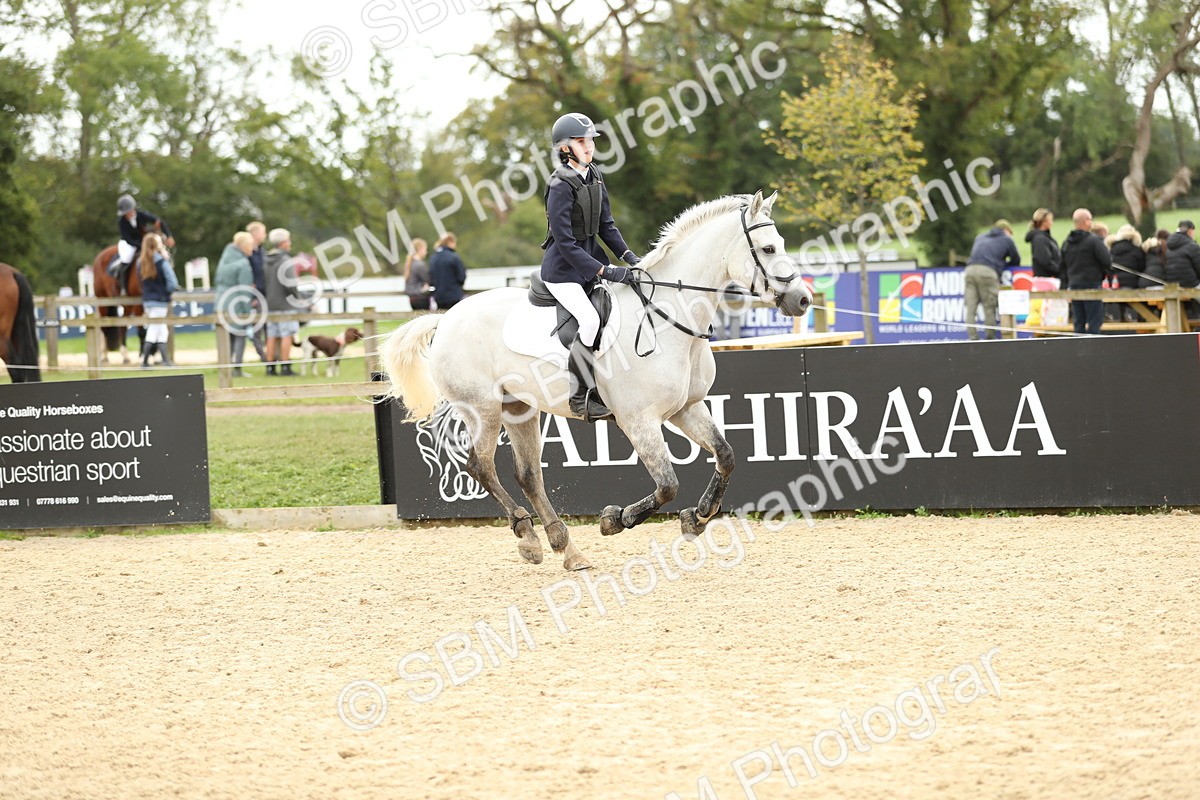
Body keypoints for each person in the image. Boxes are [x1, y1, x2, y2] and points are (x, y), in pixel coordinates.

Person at [540, 112, 642, 421]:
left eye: (590, 142)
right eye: (582, 142)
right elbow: (566, 242)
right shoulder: (559, 185)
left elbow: (607, 226)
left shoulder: (594, 175)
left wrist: (630, 257)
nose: (589, 147)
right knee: (589, 321)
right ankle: (580, 395)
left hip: (589, 259)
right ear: (566, 148)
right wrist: (605, 271)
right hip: (563, 270)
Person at [963, 219, 1020, 341]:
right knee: (989, 307)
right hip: (988, 273)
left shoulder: (980, 236)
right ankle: (989, 340)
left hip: (970, 270)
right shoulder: (1006, 239)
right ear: (1006, 230)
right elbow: (1016, 260)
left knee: (971, 307)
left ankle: (972, 339)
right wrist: (1003, 264)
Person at [1061, 208, 1113, 334]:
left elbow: (1062, 266)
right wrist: (1104, 275)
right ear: (1085, 221)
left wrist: (1065, 285)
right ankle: (1094, 350)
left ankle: (1079, 350)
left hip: (1073, 286)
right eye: (1090, 219)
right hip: (1092, 286)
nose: (1091, 222)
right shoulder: (1094, 240)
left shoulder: (1066, 243)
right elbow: (1107, 261)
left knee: (1078, 322)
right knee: (1094, 321)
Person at [263, 228, 305, 376]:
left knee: (272, 335)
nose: (290, 243)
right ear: (283, 243)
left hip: (270, 303)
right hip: (285, 303)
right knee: (287, 334)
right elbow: (291, 284)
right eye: (288, 240)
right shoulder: (286, 261)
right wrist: (298, 297)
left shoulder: (266, 259)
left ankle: (270, 367)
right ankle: (286, 366)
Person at [114, 194, 175, 295]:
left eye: (128, 211)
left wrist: (169, 236)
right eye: (125, 213)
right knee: (126, 258)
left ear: (133, 208)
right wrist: (142, 246)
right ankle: (123, 287)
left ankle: (170, 279)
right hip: (129, 243)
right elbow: (128, 239)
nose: (127, 214)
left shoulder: (141, 214)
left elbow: (159, 221)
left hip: (145, 241)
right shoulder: (121, 222)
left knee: (164, 254)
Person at [214, 232, 256, 377]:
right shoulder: (243, 263)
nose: (253, 248)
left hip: (221, 302)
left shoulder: (224, 259)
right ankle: (237, 368)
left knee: (226, 336)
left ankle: (225, 366)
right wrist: (247, 311)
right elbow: (245, 290)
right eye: (251, 245)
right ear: (243, 246)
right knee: (239, 336)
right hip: (236, 303)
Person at [137, 233, 179, 368]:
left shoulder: (140, 262)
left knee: (161, 330)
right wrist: (166, 292)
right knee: (155, 330)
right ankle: (145, 362)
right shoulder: (161, 261)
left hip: (148, 301)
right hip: (160, 300)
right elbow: (172, 283)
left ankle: (166, 360)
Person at [1106, 224, 1145, 321]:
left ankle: (1122, 314)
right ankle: (1141, 317)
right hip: (1132, 285)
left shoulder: (1112, 250)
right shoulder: (1136, 250)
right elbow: (1141, 267)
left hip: (1115, 285)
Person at [246, 221, 269, 362]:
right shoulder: (247, 254)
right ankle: (264, 356)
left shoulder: (262, 251)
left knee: (266, 326)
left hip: (265, 295)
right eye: (263, 232)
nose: (265, 235)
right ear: (255, 234)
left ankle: (270, 355)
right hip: (255, 296)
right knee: (257, 328)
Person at [428, 233, 466, 309]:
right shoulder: (454, 257)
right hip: (453, 295)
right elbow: (461, 277)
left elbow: (431, 277)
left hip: (438, 296)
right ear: (450, 242)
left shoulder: (433, 257)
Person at [1025, 208, 1061, 280]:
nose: (1052, 223)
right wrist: (1060, 271)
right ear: (1044, 222)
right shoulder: (1040, 239)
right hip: (1044, 280)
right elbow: (1045, 261)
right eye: (1050, 220)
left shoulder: (1046, 238)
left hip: (1048, 279)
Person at [403, 238, 431, 310]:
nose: (426, 252)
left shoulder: (409, 263)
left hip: (412, 299)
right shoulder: (419, 265)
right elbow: (428, 279)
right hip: (420, 298)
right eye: (425, 249)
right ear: (420, 249)